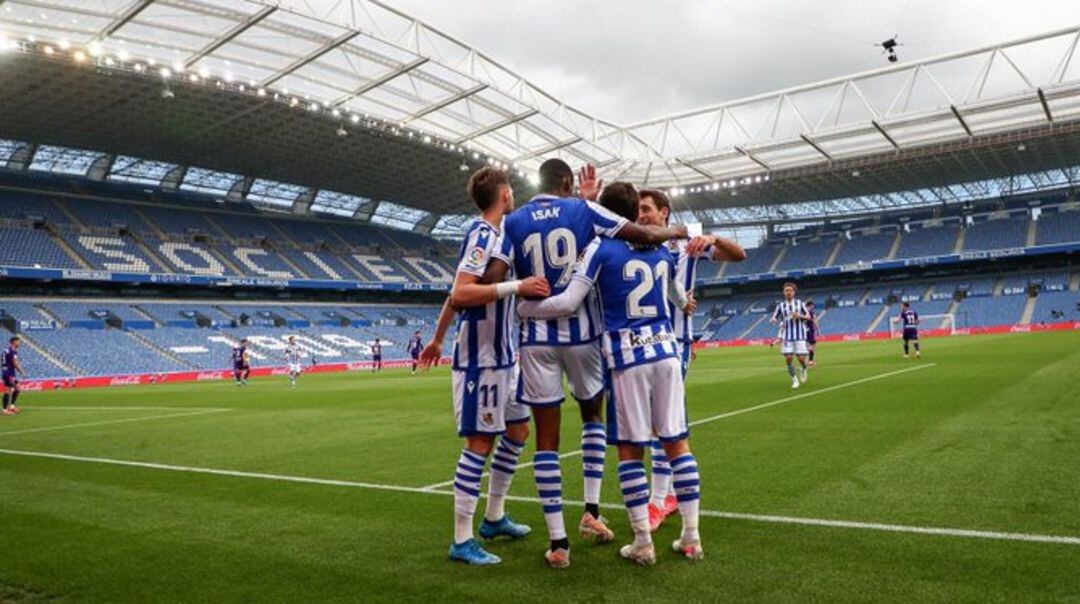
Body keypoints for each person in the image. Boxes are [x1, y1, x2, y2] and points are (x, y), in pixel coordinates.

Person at [482, 160, 687, 569]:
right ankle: (591, 510)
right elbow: (642, 233)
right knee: (593, 416)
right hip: (583, 337)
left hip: (536, 340)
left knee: (546, 439)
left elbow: (492, 278)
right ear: (567, 183)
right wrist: (677, 231)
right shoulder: (583, 211)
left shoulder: (514, 221)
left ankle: (558, 543)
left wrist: (520, 295)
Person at [419, 166, 550, 565]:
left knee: (519, 429)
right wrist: (517, 286)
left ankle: (493, 517)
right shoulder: (482, 234)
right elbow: (462, 292)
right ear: (505, 195)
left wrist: (438, 337)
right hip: (481, 360)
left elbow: (454, 294)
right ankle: (461, 540)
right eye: (511, 191)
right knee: (479, 442)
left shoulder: (499, 236)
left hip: (505, 357)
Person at [635, 189, 745, 531]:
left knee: (663, 421)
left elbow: (739, 255)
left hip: (674, 341)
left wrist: (710, 236)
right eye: (638, 210)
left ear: (664, 212)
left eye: (647, 210)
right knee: (655, 421)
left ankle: (659, 500)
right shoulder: (633, 243)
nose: (641, 216)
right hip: (640, 342)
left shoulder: (687, 245)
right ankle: (664, 496)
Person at [770, 283, 811, 389]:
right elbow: (774, 316)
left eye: (790, 290)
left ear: (794, 292)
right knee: (788, 358)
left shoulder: (800, 304)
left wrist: (799, 315)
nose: (788, 292)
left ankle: (803, 368)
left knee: (801, 359)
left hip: (800, 335)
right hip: (787, 335)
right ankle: (795, 380)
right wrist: (773, 319)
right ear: (783, 292)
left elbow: (808, 316)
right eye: (786, 290)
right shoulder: (780, 306)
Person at [2, 336, 26, 415]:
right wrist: (21, 371)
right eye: (18, 341)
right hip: (9, 373)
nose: (19, 343)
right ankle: (5, 410)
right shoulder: (13, 351)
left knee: (17, 388)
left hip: (7, 372)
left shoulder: (6, 350)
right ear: (14, 342)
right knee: (8, 390)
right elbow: (14, 362)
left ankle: (11, 407)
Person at [805, 300, 820, 366]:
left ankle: (806, 360)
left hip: (803, 331)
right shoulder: (811, 312)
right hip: (810, 330)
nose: (813, 306)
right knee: (812, 345)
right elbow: (814, 321)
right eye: (813, 305)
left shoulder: (803, 312)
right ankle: (810, 361)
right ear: (810, 305)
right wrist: (818, 329)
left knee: (806, 346)